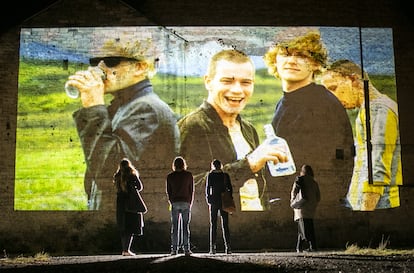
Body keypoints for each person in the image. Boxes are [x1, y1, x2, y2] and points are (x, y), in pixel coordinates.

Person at [66, 39, 180, 210]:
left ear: (140, 67)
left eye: (112, 61)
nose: (100, 67)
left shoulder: (146, 108)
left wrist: (94, 106)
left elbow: (110, 174)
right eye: (95, 61)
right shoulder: (125, 105)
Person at [178, 49, 287, 214]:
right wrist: (248, 165)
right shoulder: (193, 126)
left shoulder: (249, 129)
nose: (237, 90)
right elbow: (184, 189)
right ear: (208, 82)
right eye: (227, 81)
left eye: (246, 82)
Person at [263, 28, 354, 203]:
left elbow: (331, 171)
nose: (292, 61)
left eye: (302, 55)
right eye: (286, 54)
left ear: (315, 63)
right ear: (275, 60)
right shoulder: (284, 102)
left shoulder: (322, 104)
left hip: (313, 211)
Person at [320, 59, 402, 211]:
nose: (332, 97)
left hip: (379, 206)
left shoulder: (378, 110)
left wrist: (365, 214)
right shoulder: (372, 109)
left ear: (353, 79)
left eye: (333, 88)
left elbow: (376, 170)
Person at [113, 158, 147, 256]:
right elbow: (140, 187)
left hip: (121, 205)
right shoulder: (132, 176)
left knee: (124, 229)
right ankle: (126, 250)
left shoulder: (117, 177)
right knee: (130, 228)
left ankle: (124, 249)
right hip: (131, 205)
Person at [166, 156, 195, 256]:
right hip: (186, 202)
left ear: (174, 165)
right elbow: (191, 190)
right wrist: (190, 202)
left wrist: (171, 201)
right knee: (185, 227)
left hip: (175, 202)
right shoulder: (188, 175)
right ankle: (186, 249)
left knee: (175, 227)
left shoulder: (170, 176)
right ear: (183, 164)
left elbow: (168, 191)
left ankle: (174, 250)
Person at [290, 164, 320, 253]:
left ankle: (311, 246)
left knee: (304, 229)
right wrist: (313, 204)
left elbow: (294, 192)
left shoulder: (299, 180)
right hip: (311, 209)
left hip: (301, 207)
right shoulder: (314, 183)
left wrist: (293, 202)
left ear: (302, 171)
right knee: (305, 227)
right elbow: (318, 197)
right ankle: (300, 247)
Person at [205, 159, 233, 255]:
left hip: (214, 201)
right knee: (225, 224)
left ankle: (212, 248)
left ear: (213, 166)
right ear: (221, 166)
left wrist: (208, 198)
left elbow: (208, 188)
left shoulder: (211, 175)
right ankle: (228, 247)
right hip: (224, 201)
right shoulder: (225, 175)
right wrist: (229, 198)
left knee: (213, 224)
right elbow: (230, 188)